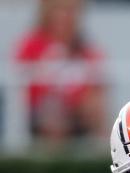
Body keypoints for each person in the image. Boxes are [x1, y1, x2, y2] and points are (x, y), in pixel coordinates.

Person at [13, 0, 105, 145]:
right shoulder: (32, 44)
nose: (66, 16)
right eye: (61, 10)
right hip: (43, 108)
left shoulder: (83, 46)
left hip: (76, 109)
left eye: (71, 11)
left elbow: (97, 77)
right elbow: (22, 79)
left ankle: (103, 153)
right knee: (53, 109)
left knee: (95, 105)